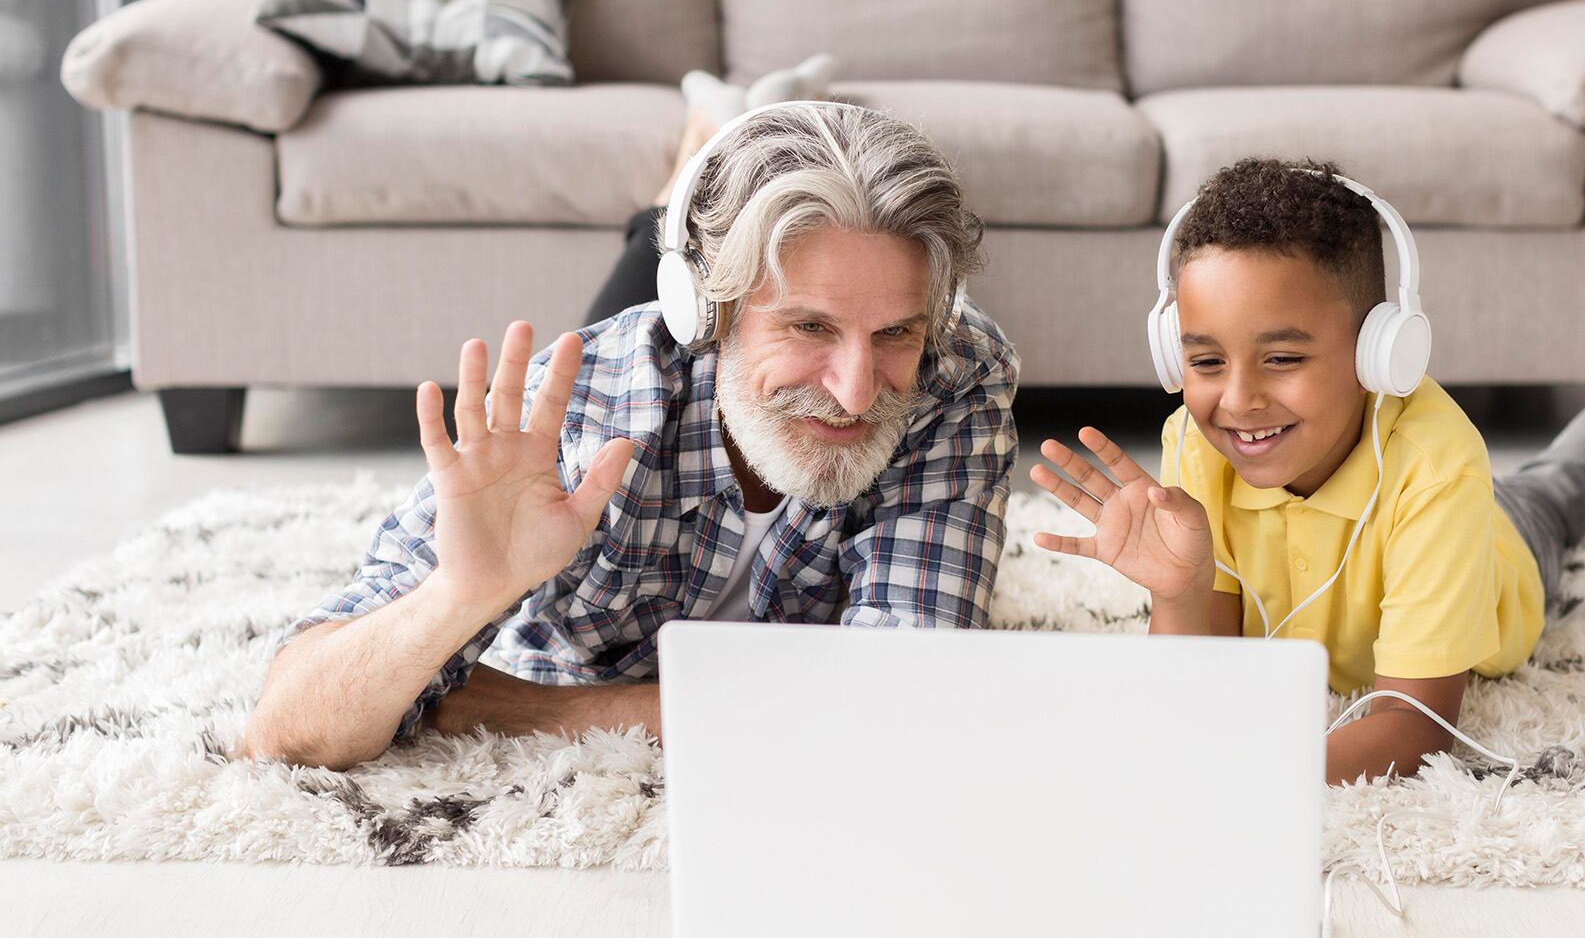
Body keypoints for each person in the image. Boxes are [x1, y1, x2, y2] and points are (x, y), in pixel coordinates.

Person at [243, 94, 1017, 771]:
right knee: (642, 259)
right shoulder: (581, 418)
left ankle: (719, 144)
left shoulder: (953, 372)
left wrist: (546, 711)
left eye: (893, 332)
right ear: (707, 312)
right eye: (808, 326)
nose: (855, 390)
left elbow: (903, 699)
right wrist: (456, 597)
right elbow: (282, 731)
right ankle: (692, 152)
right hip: (648, 385)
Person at [1030, 158, 1585, 786]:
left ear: (1379, 352)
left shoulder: (1438, 467)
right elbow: (1207, 680)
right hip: (1423, 508)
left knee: (1561, 490)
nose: (1239, 400)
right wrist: (1182, 594)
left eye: (1283, 358)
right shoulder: (1197, 444)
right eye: (1206, 361)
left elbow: (1413, 728)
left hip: (1502, 546)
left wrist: (1242, 777)